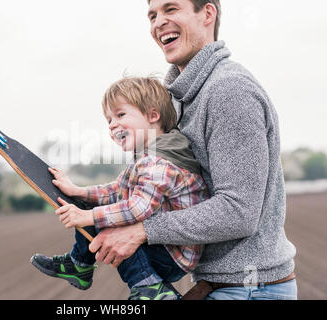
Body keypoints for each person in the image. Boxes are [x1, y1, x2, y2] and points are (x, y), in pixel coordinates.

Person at [87, 0, 298, 300]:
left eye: (170, 9)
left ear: (207, 14)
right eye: (152, 15)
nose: (158, 22)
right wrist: (91, 200)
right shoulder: (179, 99)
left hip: (250, 289)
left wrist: (141, 231)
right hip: (216, 285)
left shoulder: (228, 91)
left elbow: (239, 211)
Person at [30, 76, 209, 300]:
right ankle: (80, 265)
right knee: (99, 210)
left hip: (172, 255)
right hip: (162, 246)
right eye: (109, 120)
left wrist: (88, 216)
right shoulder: (147, 156)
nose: (113, 124)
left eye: (121, 115)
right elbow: (116, 190)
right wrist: (80, 192)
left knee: (108, 223)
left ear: (153, 116)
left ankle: (150, 288)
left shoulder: (158, 162)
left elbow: (136, 209)